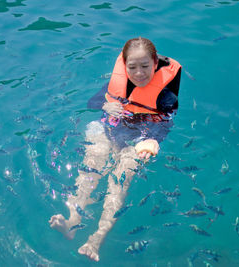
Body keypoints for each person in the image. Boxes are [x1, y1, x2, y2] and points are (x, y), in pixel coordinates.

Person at [49, 37, 181, 261]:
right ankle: (72, 222)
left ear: (155, 64)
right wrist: (104, 104)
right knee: (91, 166)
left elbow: (166, 123)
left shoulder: (166, 97)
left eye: (145, 67)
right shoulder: (116, 83)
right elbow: (92, 102)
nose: (138, 73)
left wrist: (152, 141)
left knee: (119, 180)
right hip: (111, 131)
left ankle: (96, 239)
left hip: (138, 141)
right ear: (125, 65)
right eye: (132, 67)